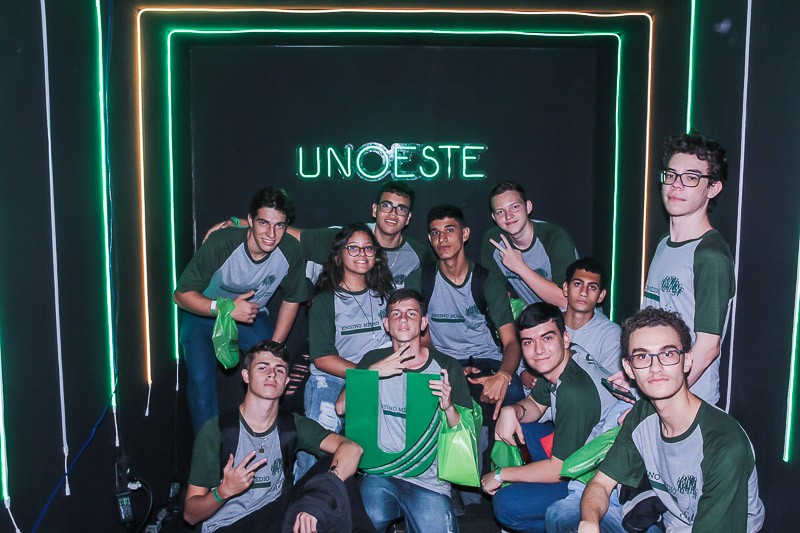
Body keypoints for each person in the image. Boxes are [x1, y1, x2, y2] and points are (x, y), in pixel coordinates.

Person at [576, 308, 764, 532]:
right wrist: (589, 521)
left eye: (668, 354)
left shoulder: (724, 444)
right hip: (669, 524)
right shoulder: (642, 415)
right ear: (629, 368)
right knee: (563, 516)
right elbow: (600, 484)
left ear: (687, 361)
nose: (655, 368)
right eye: (642, 357)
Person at [184, 340, 364, 532]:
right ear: (246, 376)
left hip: (274, 517)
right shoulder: (217, 430)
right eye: (262, 367)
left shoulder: (292, 424)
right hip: (228, 526)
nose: (272, 374)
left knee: (336, 470)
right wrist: (223, 492)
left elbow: (353, 448)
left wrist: (322, 495)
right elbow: (190, 515)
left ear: (286, 381)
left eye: (280, 369)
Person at [480, 303, 624, 533]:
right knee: (521, 429)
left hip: (596, 475)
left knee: (506, 505)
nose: (538, 350)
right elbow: (536, 405)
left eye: (547, 338)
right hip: (579, 448)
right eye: (528, 342)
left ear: (564, 338)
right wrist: (512, 411)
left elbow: (558, 470)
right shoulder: (563, 359)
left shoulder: (574, 392)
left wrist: (500, 475)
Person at [337, 289, 472, 533]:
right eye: (396, 314)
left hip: (429, 479)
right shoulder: (373, 358)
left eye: (411, 314)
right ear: (386, 324)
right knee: (369, 517)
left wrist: (449, 407)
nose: (402, 319)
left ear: (423, 323)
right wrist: (371, 373)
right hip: (382, 473)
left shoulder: (446, 366)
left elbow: (466, 431)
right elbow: (341, 407)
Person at [174, 187, 307, 433]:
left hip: (250, 317)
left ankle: (262, 436)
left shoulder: (290, 250)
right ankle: (209, 448)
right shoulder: (222, 242)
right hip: (202, 314)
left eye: (279, 225)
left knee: (271, 371)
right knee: (201, 381)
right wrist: (225, 308)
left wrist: (274, 348)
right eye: (264, 223)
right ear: (250, 221)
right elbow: (180, 296)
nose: (271, 234)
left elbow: (292, 299)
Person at [640, 132, 735, 405]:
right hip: (655, 389)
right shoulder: (663, 244)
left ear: (713, 188)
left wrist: (658, 399)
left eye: (691, 178)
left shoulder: (710, 256)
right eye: (671, 175)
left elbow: (707, 349)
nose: (676, 185)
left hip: (686, 402)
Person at [407, 204, 524, 424]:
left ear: (465, 234)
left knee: (513, 391)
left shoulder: (487, 281)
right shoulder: (420, 280)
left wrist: (503, 375)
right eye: (435, 233)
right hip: (442, 363)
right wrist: (453, 369)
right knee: (413, 393)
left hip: (486, 361)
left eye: (450, 230)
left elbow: (511, 342)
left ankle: (496, 444)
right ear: (430, 239)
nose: (442, 239)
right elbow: (421, 342)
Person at [206, 181, 435, 289]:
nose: (393, 214)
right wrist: (240, 222)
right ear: (375, 210)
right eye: (386, 206)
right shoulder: (346, 237)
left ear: (408, 217)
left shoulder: (420, 255)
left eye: (401, 209)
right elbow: (296, 235)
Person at [297, 223, 394, 477]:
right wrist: (366, 373)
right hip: (333, 378)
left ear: (376, 255)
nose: (362, 254)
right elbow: (322, 359)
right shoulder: (326, 299)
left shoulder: (387, 296)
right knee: (319, 439)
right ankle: (303, 491)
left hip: (379, 378)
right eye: (353, 248)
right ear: (339, 255)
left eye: (368, 248)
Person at [481, 180, 578, 309]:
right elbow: (497, 296)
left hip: (577, 316)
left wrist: (519, 267)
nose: (508, 216)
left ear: (528, 207)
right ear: (494, 217)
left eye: (515, 207)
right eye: (500, 212)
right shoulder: (493, 241)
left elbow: (567, 301)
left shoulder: (554, 237)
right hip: (536, 318)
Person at [562, 258, 622, 375]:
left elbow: (609, 381)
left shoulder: (610, 333)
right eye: (578, 284)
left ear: (601, 295)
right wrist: (525, 373)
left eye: (592, 287)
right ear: (566, 288)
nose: (584, 292)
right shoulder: (548, 323)